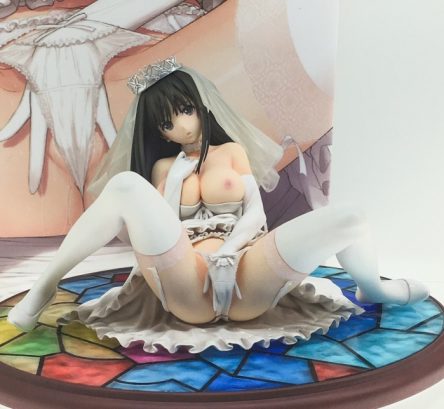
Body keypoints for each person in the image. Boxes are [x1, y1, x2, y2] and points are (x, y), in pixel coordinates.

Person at [8, 57, 429, 352]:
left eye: (185, 110)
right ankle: (45, 286)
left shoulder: (232, 153)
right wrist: (174, 181)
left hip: (246, 273)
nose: (181, 126)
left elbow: (257, 215)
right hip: (186, 281)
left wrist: (229, 251)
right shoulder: (163, 166)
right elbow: (159, 229)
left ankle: (375, 288)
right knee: (125, 186)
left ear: (201, 105)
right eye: (167, 122)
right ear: (160, 131)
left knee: (351, 216)